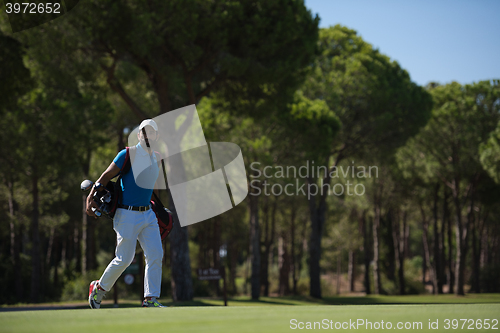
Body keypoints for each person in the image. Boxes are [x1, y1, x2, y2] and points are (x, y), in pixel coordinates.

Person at [86, 119, 165, 308]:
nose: (147, 135)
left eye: (151, 132)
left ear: (156, 136)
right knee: (124, 259)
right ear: (138, 135)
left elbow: (150, 187)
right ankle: (99, 288)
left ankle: (150, 299)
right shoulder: (127, 154)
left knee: (155, 254)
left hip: (147, 214)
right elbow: (104, 177)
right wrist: (90, 199)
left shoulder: (158, 157)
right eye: (143, 132)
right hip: (126, 214)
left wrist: (158, 208)